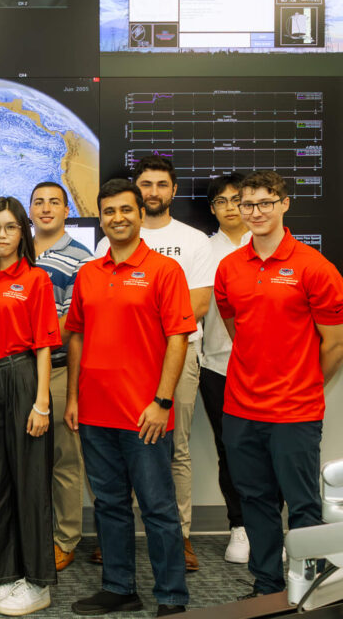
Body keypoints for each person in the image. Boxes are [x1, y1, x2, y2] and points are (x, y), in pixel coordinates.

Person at [66, 178, 194, 616]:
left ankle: (172, 598)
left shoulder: (164, 271)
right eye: (109, 212)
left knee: (159, 510)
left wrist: (162, 402)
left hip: (145, 415)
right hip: (97, 414)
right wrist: (74, 399)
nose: (117, 218)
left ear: (141, 215)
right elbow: (77, 336)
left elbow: (178, 339)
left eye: (125, 210)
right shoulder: (88, 273)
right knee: (109, 505)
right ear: (100, 218)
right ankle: (120, 587)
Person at [215, 170, 343, 599]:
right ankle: (268, 588)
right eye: (247, 204)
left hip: (295, 411)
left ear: (284, 204)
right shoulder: (229, 268)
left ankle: (310, 591)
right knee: (255, 501)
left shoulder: (315, 267)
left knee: (303, 505)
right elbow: (238, 329)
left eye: (265, 202)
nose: (255, 212)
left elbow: (335, 345)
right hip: (241, 409)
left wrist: (303, 383)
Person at [94, 156, 215, 571]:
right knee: (120, 450)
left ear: (173, 191)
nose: (153, 191)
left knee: (172, 448)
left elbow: (196, 304)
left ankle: (178, 537)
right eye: (145, 184)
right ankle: (119, 536)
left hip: (176, 357)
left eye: (162, 184)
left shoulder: (195, 240)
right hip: (122, 365)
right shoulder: (106, 244)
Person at [0, 196, 60, 616]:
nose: (1, 235)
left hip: (23, 378)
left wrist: (42, 403)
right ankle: (5, 574)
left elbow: (43, 346)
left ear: (22, 232)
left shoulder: (36, 278)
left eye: (9, 227)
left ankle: (38, 582)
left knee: (30, 482)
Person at [28, 182, 91, 572]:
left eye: (54, 202)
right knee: (26, 460)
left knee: (64, 462)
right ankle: (32, 534)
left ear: (68, 210)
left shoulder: (80, 258)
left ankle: (65, 539)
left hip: (59, 370)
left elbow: (72, 322)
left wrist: (32, 342)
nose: (46, 209)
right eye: (39, 202)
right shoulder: (16, 251)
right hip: (16, 371)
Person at [198, 173, 251, 564]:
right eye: (222, 200)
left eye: (238, 199)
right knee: (228, 448)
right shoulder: (205, 248)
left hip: (266, 368)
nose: (231, 207)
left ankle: (267, 524)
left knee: (267, 449)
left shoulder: (266, 244)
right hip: (216, 362)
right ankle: (240, 525)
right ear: (212, 208)